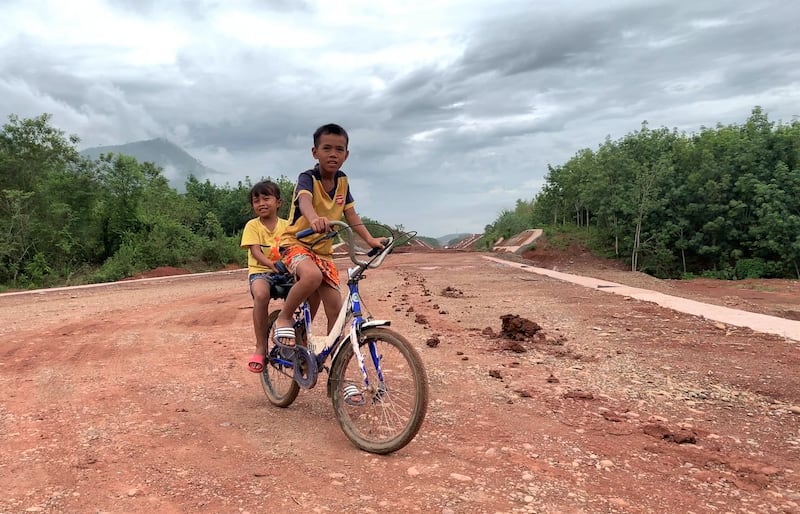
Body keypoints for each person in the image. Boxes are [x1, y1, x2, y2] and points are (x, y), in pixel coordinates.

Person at [273, 123, 384, 346]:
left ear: (346, 154)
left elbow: (351, 214)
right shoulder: (307, 178)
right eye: (326, 148)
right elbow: (304, 200)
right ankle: (284, 317)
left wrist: (371, 240)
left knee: (335, 309)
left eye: (339, 149)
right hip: (297, 243)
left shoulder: (342, 181)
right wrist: (314, 219)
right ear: (315, 152)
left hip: (323, 252)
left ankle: (336, 368)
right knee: (312, 277)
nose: (333, 154)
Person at [241, 180, 288, 373]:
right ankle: (260, 346)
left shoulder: (288, 226)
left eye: (266, 198)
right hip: (261, 271)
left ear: (278, 202)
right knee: (261, 295)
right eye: (256, 200)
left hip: (285, 270)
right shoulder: (253, 226)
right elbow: (255, 251)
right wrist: (271, 264)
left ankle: (300, 337)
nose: (261, 203)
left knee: (309, 290)